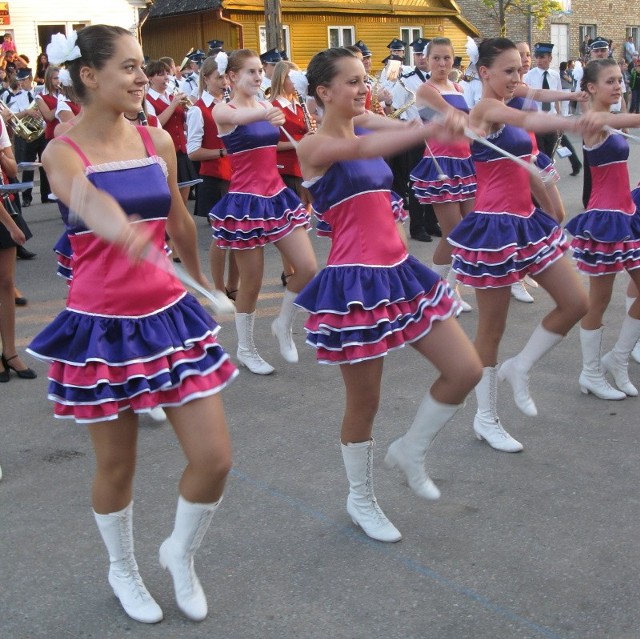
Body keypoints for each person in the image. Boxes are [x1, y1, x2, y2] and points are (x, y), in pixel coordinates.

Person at [28, 25, 237, 624]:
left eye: (144, 66)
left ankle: (180, 553)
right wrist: (116, 226)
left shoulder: (154, 138)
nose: (144, 78)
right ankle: (122, 567)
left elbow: (178, 219)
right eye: (129, 67)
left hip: (167, 313)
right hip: (102, 326)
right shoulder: (62, 150)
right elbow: (84, 201)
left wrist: (202, 284)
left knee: (214, 457)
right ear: (89, 76)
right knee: (118, 465)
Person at [294, 46, 482, 543]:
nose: (364, 89)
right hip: (354, 284)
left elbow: (397, 127)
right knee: (365, 402)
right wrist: (432, 128)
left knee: (465, 369)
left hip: (400, 271)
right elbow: (363, 152)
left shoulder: (367, 121)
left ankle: (411, 449)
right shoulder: (311, 146)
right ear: (323, 92)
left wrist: (448, 120)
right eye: (352, 82)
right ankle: (361, 497)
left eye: (365, 80)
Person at [448, 37, 590, 452]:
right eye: (508, 70)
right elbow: (530, 124)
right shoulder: (486, 109)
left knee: (575, 304)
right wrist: (572, 122)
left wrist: (551, 205)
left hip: (528, 223)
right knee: (492, 329)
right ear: (484, 73)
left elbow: (527, 161)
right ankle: (485, 417)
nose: (516, 77)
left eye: (519, 70)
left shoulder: (512, 103)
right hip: (494, 229)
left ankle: (520, 366)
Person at [210, 49, 317, 375]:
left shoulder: (267, 106)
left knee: (309, 269)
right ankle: (246, 348)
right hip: (245, 203)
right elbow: (241, 119)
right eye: (250, 72)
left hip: (277, 196)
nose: (258, 77)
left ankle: (283, 323)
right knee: (251, 283)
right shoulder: (222, 110)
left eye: (260, 71)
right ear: (231, 77)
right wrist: (267, 113)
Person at [565, 57, 640, 400]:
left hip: (624, 215)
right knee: (599, 300)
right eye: (610, 81)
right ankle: (590, 372)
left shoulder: (610, 117)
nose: (618, 85)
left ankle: (618, 359)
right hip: (605, 220)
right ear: (591, 87)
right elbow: (624, 119)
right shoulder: (593, 120)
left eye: (619, 80)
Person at [411, 37, 476, 312]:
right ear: (427, 59)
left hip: (464, 163)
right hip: (441, 165)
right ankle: (432, 293)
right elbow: (454, 116)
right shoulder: (426, 90)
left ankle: (450, 290)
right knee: (452, 234)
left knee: (469, 230)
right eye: (436, 58)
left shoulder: (459, 86)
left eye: (447, 58)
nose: (442, 63)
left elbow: (468, 126)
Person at [185, 54, 239, 299]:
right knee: (222, 238)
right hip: (216, 178)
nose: (224, 82)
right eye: (219, 78)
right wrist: (223, 151)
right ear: (205, 79)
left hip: (238, 176)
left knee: (240, 236)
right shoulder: (198, 110)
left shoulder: (232, 104)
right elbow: (193, 152)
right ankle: (218, 287)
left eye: (226, 77)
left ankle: (234, 286)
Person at [0, 112, 36, 383]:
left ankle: (10, 352)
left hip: (4, 203)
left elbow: (12, 169)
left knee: (6, 282)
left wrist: (2, 156)